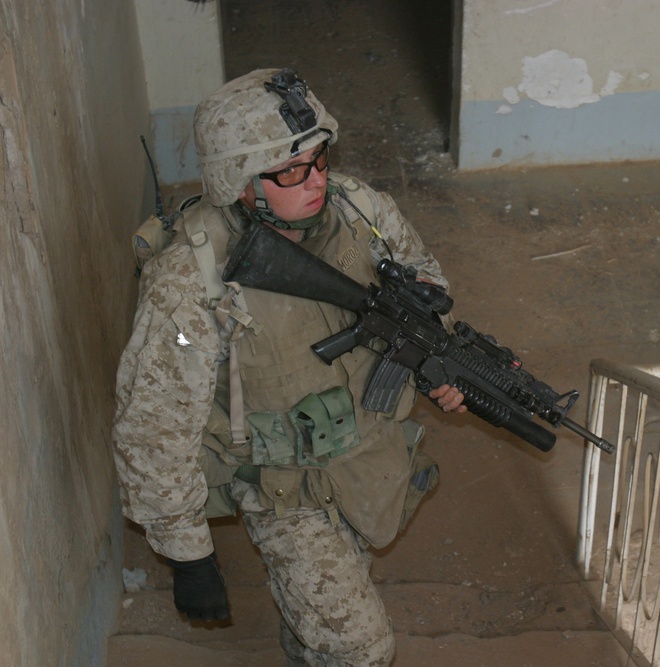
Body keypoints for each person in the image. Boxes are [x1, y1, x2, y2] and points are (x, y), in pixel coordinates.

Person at [112, 67, 464, 666]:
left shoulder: (360, 210)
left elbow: (425, 277)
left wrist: (436, 354)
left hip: (363, 443)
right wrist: (187, 553)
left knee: (330, 608)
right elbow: (154, 426)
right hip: (277, 480)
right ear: (238, 180)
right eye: (291, 171)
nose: (317, 180)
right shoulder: (190, 281)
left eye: (320, 159)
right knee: (361, 649)